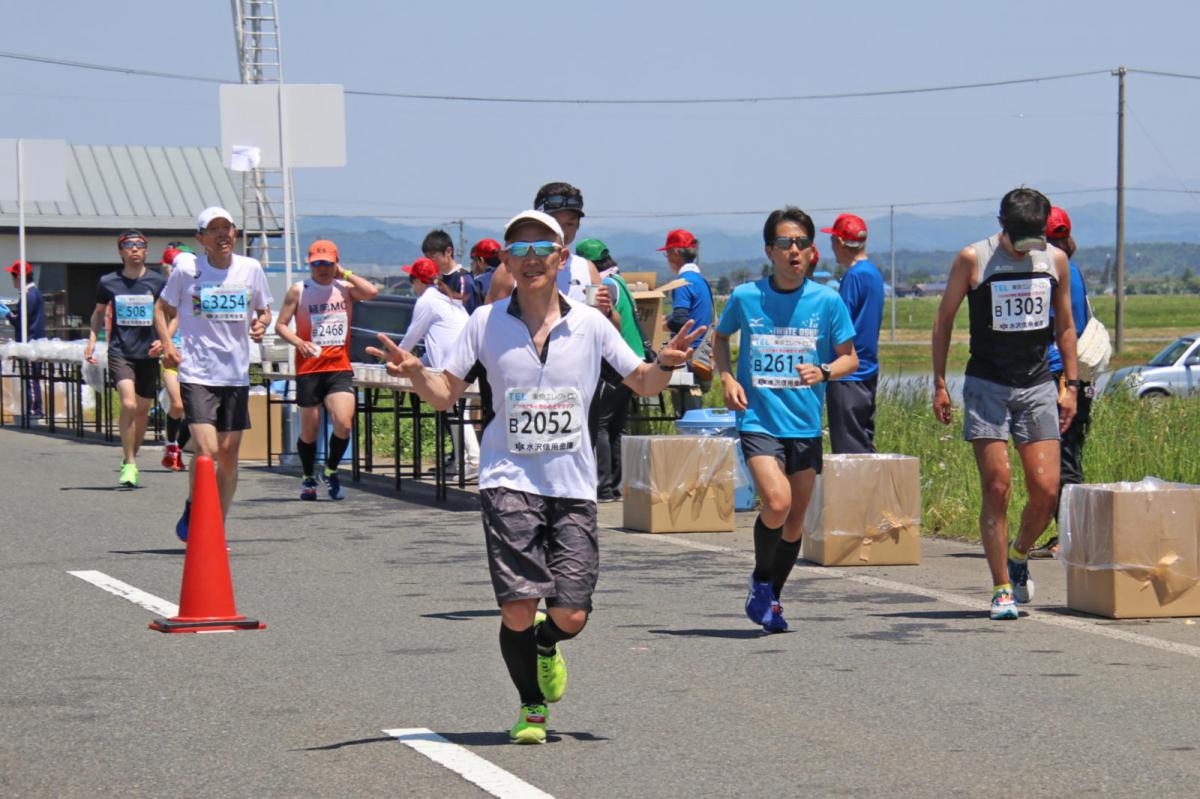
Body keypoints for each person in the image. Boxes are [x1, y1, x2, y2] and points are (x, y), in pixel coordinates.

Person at [367, 210, 704, 745]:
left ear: (561, 257)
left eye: (542, 248)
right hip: (508, 478)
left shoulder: (591, 324)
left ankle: (548, 645)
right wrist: (415, 373)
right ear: (505, 260)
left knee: (570, 615)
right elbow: (446, 394)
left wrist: (665, 362)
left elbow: (642, 382)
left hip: (572, 486)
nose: (531, 259)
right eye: (519, 249)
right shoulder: (484, 322)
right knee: (518, 606)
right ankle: (531, 706)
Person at [931, 188, 1078, 620]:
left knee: (1046, 490)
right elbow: (943, 321)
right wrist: (940, 382)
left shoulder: (1055, 261)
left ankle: (1019, 554)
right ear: (1002, 226)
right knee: (998, 485)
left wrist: (1071, 385)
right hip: (987, 384)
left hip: (1037, 385)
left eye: (1034, 237)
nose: (1025, 247)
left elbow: (1065, 326)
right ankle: (1000, 589)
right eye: (1018, 238)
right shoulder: (973, 259)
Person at [716, 207, 858, 634]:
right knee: (776, 504)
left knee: (794, 522)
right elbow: (720, 338)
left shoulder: (827, 301)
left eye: (802, 243)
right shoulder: (746, 297)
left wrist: (825, 370)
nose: (794, 251)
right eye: (784, 243)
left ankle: (771, 597)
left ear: (812, 251)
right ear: (769, 251)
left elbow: (850, 358)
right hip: (758, 419)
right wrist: (726, 377)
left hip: (805, 425)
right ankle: (761, 579)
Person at [155, 206, 273, 542]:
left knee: (229, 455)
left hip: (235, 374)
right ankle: (195, 506)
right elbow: (161, 309)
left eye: (228, 228)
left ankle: (215, 529)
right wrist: (168, 344)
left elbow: (264, 309)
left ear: (235, 233)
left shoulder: (250, 269)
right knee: (207, 450)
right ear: (200, 238)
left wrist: (261, 324)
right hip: (198, 372)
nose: (223, 234)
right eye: (214, 229)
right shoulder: (187, 271)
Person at [274, 239, 378, 500]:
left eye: (327, 264)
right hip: (309, 369)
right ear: (310, 264)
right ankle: (308, 476)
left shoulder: (344, 288)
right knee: (310, 429)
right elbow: (281, 325)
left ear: (336, 263)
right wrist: (299, 342)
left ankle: (331, 470)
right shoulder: (299, 290)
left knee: (343, 422)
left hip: (338, 367)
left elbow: (371, 292)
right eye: (317, 264)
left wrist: (345, 273)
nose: (322, 268)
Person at [1031, 207, 1092, 558]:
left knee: (1064, 458)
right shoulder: (1069, 267)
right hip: (1072, 375)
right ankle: (1066, 533)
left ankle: (1070, 536)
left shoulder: (1058, 270)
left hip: (1062, 375)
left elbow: (1067, 329)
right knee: (1063, 456)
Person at [83, 230, 166, 487]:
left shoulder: (158, 282)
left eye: (140, 245)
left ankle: (131, 458)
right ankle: (129, 462)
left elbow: (171, 315)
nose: (134, 249)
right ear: (121, 251)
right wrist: (92, 340)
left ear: (146, 250)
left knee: (142, 411)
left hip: (148, 353)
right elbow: (98, 313)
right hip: (120, 351)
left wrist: (164, 341)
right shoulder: (109, 282)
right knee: (129, 404)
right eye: (129, 245)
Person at [576, 238, 647, 501]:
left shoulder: (603, 286)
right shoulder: (620, 282)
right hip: (633, 361)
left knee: (601, 423)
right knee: (617, 424)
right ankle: (617, 485)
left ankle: (602, 486)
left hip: (615, 363)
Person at [397, 256, 478, 477]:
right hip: (467, 361)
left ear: (417, 281)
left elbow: (410, 339)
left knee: (458, 412)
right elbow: (433, 348)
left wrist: (395, 359)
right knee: (456, 412)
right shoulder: (445, 297)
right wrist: (419, 363)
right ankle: (462, 461)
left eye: (412, 280)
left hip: (457, 365)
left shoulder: (427, 301)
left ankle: (473, 460)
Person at [483, 182, 606, 309]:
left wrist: (607, 312)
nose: (562, 231)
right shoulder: (511, 269)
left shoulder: (586, 268)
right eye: (554, 223)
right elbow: (491, 318)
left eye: (570, 224)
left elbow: (606, 319)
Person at [822, 213, 885, 453]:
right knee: (863, 444)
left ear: (840, 242)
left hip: (847, 374)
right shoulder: (873, 273)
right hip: (867, 371)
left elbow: (840, 322)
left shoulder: (854, 276)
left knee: (849, 453)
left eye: (832, 241)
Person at [661, 229, 714, 412]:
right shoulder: (701, 281)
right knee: (694, 412)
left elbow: (681, 320)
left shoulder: (683, 283)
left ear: (676, 253)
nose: (667, 259)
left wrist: (663, 325)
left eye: (667, 254)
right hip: (702, 354)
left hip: (688, 356)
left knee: (686, 415)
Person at [158, 243, 196, 472]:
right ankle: (172, 444)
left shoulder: (196, 289)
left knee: (194, 409)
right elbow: (161, 318)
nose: (173, 270)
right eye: (170, 266)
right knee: (178, 404)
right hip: (172, 355)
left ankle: (177, 449)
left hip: (195, 356)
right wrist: (164, 341)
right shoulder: (163, 293)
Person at [4, 260, 46, 417]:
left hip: (30, 343)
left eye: (13, 276)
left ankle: (34, 410)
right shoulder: (32, 293)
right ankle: (33, 409)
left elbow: (21, 322)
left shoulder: (30, 295)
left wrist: (8, 315)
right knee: (31, 378)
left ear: (19, 277)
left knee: (31, 379)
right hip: (32, 342)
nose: (12, 280)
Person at [422, 229, 480, 315]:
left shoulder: (463, 281)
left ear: (448, 251)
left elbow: (467, 316)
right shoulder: (439, 280)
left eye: (433, 256)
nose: (429, 261)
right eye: (427, 257)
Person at [470, 238, 503, 305]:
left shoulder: (478, 282)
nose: (471, 263)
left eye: (473, 260)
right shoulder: (513, 277)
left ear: (481, 260)